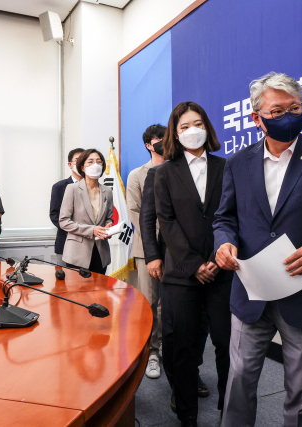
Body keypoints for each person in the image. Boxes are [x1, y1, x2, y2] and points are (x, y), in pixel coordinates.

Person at [214, 72, 302, 427]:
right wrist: (224, 242)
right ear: (257, 118)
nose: (289, 116)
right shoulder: (238, 163)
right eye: (278, 111)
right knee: (239, 380)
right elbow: (224, 218)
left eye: (295, 108)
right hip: (250, 293)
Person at [154, 101, 233, 427]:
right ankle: (187, 416)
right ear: (175, 134)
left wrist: (215, 260)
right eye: (184, 126)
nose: (192, 131)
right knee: (184, 348)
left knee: (227, 345)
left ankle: (229, 413)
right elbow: (167, 222)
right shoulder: (164, 173)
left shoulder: (226, 166)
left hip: (222, 270)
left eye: (197, 124)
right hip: (182, 274)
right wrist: (194, 264)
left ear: (207, 127)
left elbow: (232, 215)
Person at [141, 155, 211, 405]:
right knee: (174, 327)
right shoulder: (159, 172)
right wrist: (152, 256)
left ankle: (192, 371)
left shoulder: (215, 169)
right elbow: (147, 218)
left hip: (207, 261)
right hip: (172, 260)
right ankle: (178, 382)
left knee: (201, 324)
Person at [127, 124, 167, 379]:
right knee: (150, 301)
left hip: (175, 248)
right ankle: (152, 352)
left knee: (169, 303)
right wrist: (154, 240)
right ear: (148, 145)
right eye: (158, 139)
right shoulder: (137, 175)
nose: (163, 141)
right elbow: (135, 211)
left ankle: (166, 347)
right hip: (147, 248)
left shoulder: (176, 168)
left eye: (166, 137)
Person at [59, 149, 113, 275]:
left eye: (99, 161)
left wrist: (107, 228)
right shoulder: (72, 189)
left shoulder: (107, 191)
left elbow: (108, 218)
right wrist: (91, 230)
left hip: (101, 252)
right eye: (90, 161)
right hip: (77, 254)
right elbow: (64, 221)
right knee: (77, 288)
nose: (95, 164)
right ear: (82, 167)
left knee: (100, 287)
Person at [50, 148, 85, 266]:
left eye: (84, 160)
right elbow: (55, 215)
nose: (81, 163)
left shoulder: (94, 187)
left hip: (89, 244)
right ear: (70, 164)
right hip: (66, 242)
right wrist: (74, 230)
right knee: (66, 276)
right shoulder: (59, 186)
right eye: (78, 160)